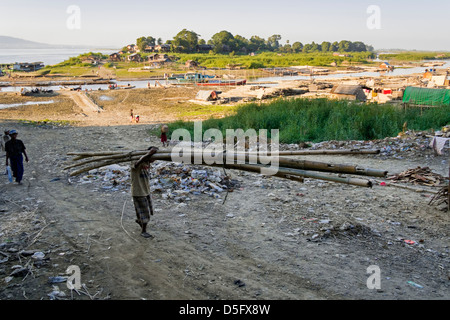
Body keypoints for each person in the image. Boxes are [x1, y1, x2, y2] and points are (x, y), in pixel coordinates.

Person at [131, 146, 158, 238]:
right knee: (144, 211)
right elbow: (136, 164)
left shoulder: (147, 162)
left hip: (146, 190)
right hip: (138, 191)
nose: (154, 160)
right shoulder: (136, 160)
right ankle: (143, 231)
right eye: (154, 157)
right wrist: (149, 154)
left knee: (146, 210)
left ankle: (140, 221)